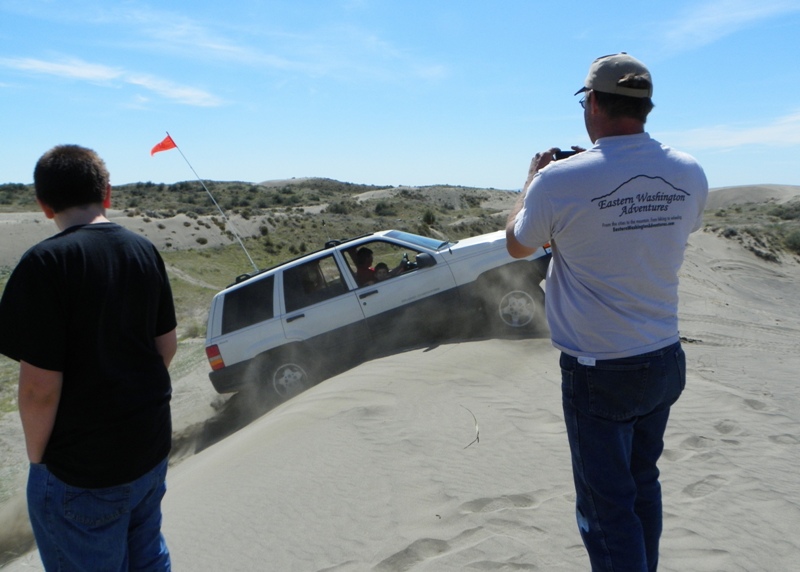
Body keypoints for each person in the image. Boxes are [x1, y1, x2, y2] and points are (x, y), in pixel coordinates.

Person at [506, 53, 708, 571]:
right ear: (645, 105)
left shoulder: (558, 182)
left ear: (593, 103)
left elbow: (517, 246)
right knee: (642, 487)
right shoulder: (689, 171)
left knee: (605, 508)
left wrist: (532, 181)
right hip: (663, 358)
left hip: (599, 370)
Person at [0, 145, 177, 571]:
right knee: (147, 557)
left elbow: (40, 389)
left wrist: (41, 461)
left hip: (82, 470)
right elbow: (166, 346)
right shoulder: (142, 249)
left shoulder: (44, 264)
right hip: (148, 449)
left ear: (44, 205)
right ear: (107, 194)